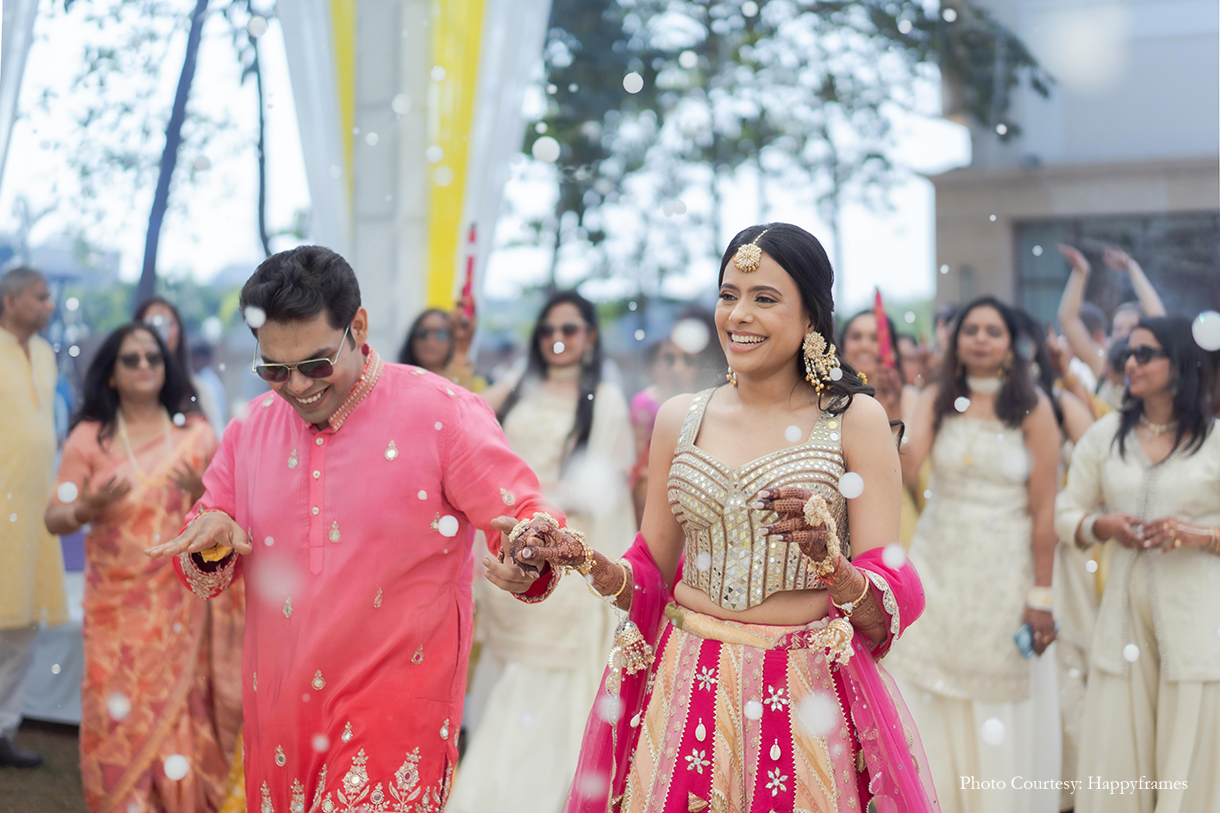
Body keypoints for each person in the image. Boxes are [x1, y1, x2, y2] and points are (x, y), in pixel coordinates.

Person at [490, 223, 939, 812]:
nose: (739, 315)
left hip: (802, 691)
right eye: (729, 295)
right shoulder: (680, 418)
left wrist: (835, 566)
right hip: (686, 682)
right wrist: (580, 558)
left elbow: (890, 589)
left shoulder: (854, 419)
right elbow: (651, 570)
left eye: (765, 298)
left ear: (811, 317)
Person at [145, 245, 567, 811]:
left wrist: (526, 553)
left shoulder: (443, 413)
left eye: (316, 364)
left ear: (358, 327)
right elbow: (207, 543)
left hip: (395, 714)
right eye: (274, 369)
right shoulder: (251, 430)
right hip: (279, 714)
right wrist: (213, 533)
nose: (296, 386)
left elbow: (523, 512)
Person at [43, 322, 242, 811]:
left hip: (179, 602)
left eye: (153, 357)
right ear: (111, 374)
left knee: (180, 712)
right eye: (130, 359)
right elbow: (55, 518)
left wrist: (201, 491)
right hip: (115, 608)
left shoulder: (196, 436)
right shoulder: (89, 438)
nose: (144, 366)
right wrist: (85, 507)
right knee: (117, 716)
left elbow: (229, 516)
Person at [450, 292, 635, 813]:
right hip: (511, 551)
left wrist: (535, 508)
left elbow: (597, 487)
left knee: (541, 679)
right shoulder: (517, 388)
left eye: (571, 329)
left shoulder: (605, 399)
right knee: (503, 669)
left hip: (558, 552)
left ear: (590, 337)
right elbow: (467, 419)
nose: (559, 338)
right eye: (549, 328)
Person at [886, 296, 1062, 813]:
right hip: (938, 562)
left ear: (1011, 345)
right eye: (972, 330)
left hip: (1003, 568)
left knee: (992, 693)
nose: (981, 338)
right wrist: (897, 410)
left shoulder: (1033, 408)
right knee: (926, 685)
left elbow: (1045, 511)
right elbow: (908, 470)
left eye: (993, 331)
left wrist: (1042, 595)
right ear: (955, 341)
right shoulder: (938, 396)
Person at [1055, 316, 1220, 813]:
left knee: (1188, 764)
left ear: (1181, 362)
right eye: (1128, 352)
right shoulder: (1107, 435)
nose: (1130, 362)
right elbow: (1066, 510)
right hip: (1122, 627)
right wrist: (1103, 527)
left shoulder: (1214, 439)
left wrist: (1198, 535)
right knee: (1118, 771)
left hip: (1195, 627)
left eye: (1146, 354)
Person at [0, 266, 66, 769]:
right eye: (40, 297)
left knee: (23, 628)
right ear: (10, 301)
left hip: (35, 514)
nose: (49, 305)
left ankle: (4, 729)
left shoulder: (45, 355)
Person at [838, 308, 923, 545]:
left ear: (891, 350)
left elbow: (909, 475)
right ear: (842, 345)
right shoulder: (825, 396)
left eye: (875, 338)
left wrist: (893, 413)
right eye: (856, 337)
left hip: (891, 515)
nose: (864, 345)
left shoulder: (908, 397)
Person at [1056, 245, 1165, 412]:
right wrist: (1080, 273)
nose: (1124, 334)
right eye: (1118, 328)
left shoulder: (1154, 369)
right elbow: (1068, 320)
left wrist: (1132, 268)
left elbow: (1160, 321)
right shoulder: (1103, 365)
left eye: (1132, 328)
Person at [134, 296, 223, 430]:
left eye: (168, 323)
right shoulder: (125, 389)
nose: (159, 331)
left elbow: (216, 442)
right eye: (151, 323)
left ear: (179, 330)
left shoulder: (199, 391)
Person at [397, 297, 486, 392]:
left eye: (440, 334)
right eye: (422, 333)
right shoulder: (396, 382)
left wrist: (461, 350)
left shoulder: (476, 385)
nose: (430, 340)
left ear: (452, 339)